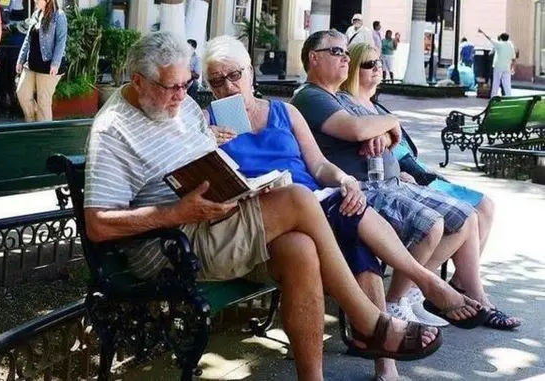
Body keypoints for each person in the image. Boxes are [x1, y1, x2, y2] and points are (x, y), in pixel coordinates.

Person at [85, 31, 442, 381]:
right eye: (172, 87)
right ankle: (370, 323)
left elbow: (197, 157)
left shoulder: (185, 106)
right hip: (171, 244)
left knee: (300, 249)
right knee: (299, 199)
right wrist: (178, 213)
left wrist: (235, 181)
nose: (183, 96)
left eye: (188, 83)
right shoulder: (114, 132)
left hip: (213, 221)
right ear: (138, 81)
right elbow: (98, 225)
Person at [203, 35, 482, 381]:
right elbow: (209, 188)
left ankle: (385, 355)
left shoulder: (284, 111)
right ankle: (409, 304)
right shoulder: (206, 123)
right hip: (269, 219)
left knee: (348, 212)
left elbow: (319, 166)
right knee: (344, 224)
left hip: (318, 202)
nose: (228, 87)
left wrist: (345, 180)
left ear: (250, 73)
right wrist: (204, 143)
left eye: (234, 75)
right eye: (216, 81)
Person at [296, 36, 519, 331]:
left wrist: (387, 129)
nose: (346, 59)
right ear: (313, 57)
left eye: (349, 54)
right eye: (338, 52)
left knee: (465, 218)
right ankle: (399, 302)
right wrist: (392, 123)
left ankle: (412, 295)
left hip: (390, 183)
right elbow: (358, 129)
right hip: (362, 189)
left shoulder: (336, 98)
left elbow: (375, 133)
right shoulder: (313, 96)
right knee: (433, 225)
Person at [15, 0, 67, 122]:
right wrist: (20, 59)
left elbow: (61, 41)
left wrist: (55, 63)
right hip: (31, 64)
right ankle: (32, 124)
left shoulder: (59, 16)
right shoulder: (36, 14)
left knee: (43, 102)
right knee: (22, 93)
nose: (35, 1)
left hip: (48, 66)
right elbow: (28, 39)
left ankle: (44, 133)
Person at [478, 29, 516, 97]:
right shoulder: (511, 46)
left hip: (498, 67)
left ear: (501, 38)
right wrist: (513, 68)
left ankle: (493, 96)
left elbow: (489, 38)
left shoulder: (499, 44)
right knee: (507, 84)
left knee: (496, 83)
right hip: (507, 67)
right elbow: (513, 59)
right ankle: (509, 97)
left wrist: (483, 32)